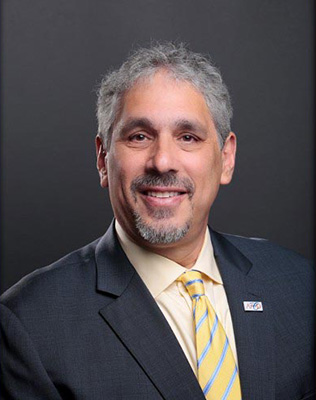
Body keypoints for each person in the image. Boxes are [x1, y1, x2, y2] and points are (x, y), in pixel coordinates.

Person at [0, 42, 314, 400]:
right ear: (103, 158)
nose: (163, 161)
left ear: (226, 158)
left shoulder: (300, 285)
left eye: (188, 137)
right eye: (139, 137)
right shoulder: (30, 325)